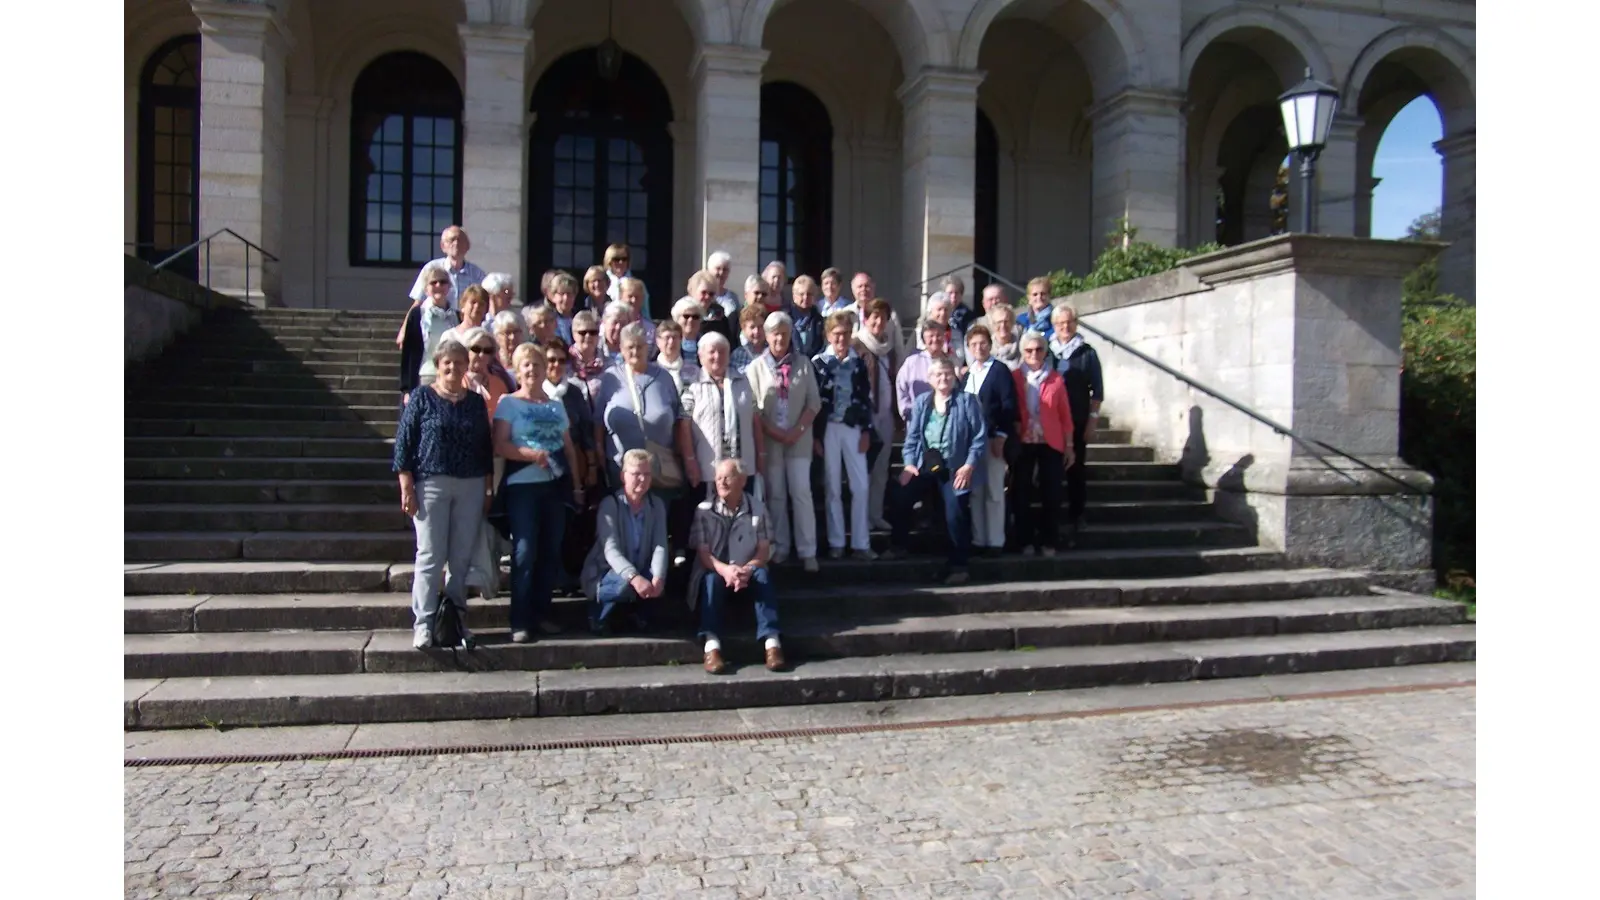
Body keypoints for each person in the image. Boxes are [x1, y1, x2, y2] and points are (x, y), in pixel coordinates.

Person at [393, 337, 493, 648]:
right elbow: (404, 445)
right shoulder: (422, 398)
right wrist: (406, 485)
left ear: (466, 367)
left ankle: (454, 620)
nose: (452, 367)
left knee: (460, 558)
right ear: (438, 366)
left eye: (458, 362)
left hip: (471, 484)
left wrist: (488, 486)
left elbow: (484, 446)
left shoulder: (475, 402)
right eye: (447, 362)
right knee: (430, 555)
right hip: (431, 482)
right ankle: (424, 622)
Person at [493, 343, 580, 642]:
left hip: (555, 487)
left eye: (537, 365)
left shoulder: (556, 405)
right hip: (523, 488)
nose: (532, 370)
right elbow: (499, 444)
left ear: (545, 370)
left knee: (549, 552)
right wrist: (530, 454)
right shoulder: (508, 403)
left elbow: (568, 448)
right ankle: (520, 619)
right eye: (526, 365)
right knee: (525, 551)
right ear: (517, 370)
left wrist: (577, 486)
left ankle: (542, 614)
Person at [883, 357, 987, 585]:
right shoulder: (922, 402)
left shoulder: (967, 401)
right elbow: (911, 440)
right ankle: (898, 545)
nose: (943, 378)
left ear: (955, 377)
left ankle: (959, 565)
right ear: (930, 379)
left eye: (948, 374)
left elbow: (979, 439)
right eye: (938, 375)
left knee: (955, 511)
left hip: (956, 466)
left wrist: (969, 466)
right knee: (901, 494)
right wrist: (909, 464)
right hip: (925, 464)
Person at [688, 458, 785, 674]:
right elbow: (704, 554)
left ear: (742, 480)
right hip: (716, 570)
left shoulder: (757, 509)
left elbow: (763, 550)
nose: (721, 482)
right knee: (710, 580)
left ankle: (772, 644)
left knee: (762, 576)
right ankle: (711, 646)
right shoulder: (704, 510)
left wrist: (746, 569)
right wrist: (726, 570)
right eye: (718, 477)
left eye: (727, 477)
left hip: (746, 571)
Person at [746, 312, 822, 571]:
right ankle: (780, 546)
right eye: (774, 333)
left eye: (784, 333)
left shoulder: (803, 363)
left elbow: (814, 402)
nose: (779, 338)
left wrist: (797, 430)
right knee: (776, 495)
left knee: (801, 493)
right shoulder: (755, 367)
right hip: (770, 441)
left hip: (799, 440)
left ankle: (808, 550)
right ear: (766, 337)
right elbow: (754, 410)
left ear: (791, 336)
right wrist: (777, 433)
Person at [580, 448, 670, 635]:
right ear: (623, 476)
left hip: (639, 566)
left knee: (657, 579)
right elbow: (610, 550)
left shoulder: (656, 505)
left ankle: (638, 615)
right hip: (606, 571)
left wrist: (658, 577)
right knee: (624, 586)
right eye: (636, 474)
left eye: (646, 474)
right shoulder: (609, 504)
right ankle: (597, 615)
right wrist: (634, 578)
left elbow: (660, 545)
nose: (642, 479)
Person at [812, 310, 878, 561]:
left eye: (846, 334)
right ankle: (836, 542)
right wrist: (815, 437)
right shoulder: (818, 362)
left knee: (860, 486)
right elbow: (815, 402)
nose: (841, 339)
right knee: (832, 487)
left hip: (853, 428)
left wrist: (867, 430)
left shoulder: (858, 362)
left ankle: (861, 543)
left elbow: (865, 398)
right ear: (829, 335)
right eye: (837, 334)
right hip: (828, 428)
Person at [594, 323, 686, 489]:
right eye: (630, 347)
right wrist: (599, 454)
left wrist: (680, 455)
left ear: (647, 348)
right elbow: (599, 421)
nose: (635, 352)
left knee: (658, 511)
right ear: (621, 349)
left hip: (659, 468)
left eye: (639, 346)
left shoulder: (664, 377)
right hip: (620, 468)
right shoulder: (611, 378)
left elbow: (678, 419)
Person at [542, 337, 601, 596]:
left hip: (571, 466)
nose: (556, 365)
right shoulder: (532, 390)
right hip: (540, 468)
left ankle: (564, 573)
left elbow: (587, 432)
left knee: (567, 525)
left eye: (561, 360)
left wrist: (590, 465)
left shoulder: (574, 392)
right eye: (550, 360)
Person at [678, 331, 763, 504]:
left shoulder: (743, 381)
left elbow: (755, 420)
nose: (717, 356)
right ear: (700, 356)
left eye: (722, 351)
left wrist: (761, 454)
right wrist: (690, 460)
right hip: (708, 468)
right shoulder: (692, 385)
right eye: (712, 352)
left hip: (743, 466)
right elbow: (684, 426)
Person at [1012, 331, 1076, 557]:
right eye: (1029, 350)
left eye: (1039, 349)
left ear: (1045, 351)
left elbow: (1065, 415)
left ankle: (1049, 540)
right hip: (1024, 440)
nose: (1034, 354)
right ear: (1022, 352)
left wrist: (1069, 446)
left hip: (1050, 440)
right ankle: (1024, 540)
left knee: (1052, 492)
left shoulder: (1056, 378)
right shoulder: (1014, 377)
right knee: (1021, 492)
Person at [460, 327, 509, 599]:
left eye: (487, 350)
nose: (480, 355)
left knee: (490, 520)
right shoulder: (459, 381)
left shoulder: (500, 383)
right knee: (470, 519)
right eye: (475, 349)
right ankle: (468, 575)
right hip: (469, 462)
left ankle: (487, 575)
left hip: (496, 459)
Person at [1049, 303, 1104, 539]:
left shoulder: (1087, 353)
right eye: (1060, 323)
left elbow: (1098, 392)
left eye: (1069, 322)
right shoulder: (1045, 350)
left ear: (1076, 323)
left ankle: (1077, 514)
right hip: (1050, 421)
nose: (1065, 326)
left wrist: (1092, 421)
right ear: (1054, 325)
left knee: (1076, 469)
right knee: (1050, 470)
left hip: (1077, 419)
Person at [962, 324, 1017, 558]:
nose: (979, 347)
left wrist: (1002, 436)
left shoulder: (1000, 370)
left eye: (983, 343)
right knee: (976, 491)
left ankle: (995, 540)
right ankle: (979, 538)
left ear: (990, 344)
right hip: (971, 442)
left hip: (993, 438)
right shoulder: (968, 373)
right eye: (974, 344)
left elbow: (1008, 405)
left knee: (994, 490)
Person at [851, 298, 902, 531]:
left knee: (881, 467)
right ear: (866, 318)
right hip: (865, 417)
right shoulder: (857, 345)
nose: (879, 322)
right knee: (864, 470)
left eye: (883, 317)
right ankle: (861, 519)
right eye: (874, 317)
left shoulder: (888, 349)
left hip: (886, 414)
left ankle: (875, 514)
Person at [396, 225, 487, 346]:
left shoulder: (478, 274)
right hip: (434, 327)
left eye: (460, 240)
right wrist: (404, 330)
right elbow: (418, 303)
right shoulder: (431, 269)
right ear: (443, 246)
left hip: (465, 332)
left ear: (467, 246)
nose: (456, 243)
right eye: (451, 240)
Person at [398, 262, 461, 402]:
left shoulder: (456, 316)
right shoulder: (418, 314)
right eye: (434, 282)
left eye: (443, 282)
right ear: (426, 289)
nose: (438, 286)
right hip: (425, 376)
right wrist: (407, 388)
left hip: (451, 377)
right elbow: (409, 351)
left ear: (449, 287)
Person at [896, 319, 953, 424]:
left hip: (946, 420)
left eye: (938, 335)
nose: (935, 339)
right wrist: (909, 412)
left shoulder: (951, 361)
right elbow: (901, 387)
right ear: (923, 340)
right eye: (930, 336)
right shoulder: (912, 362)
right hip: (917, 419)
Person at [846, 272, 905, 358]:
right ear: (853, 289)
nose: (864, 289)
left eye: (867, 286)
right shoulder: (846, 313)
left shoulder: (890, 314)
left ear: (873, 287)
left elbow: (898, 346)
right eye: (860, 286)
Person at [916, 293, 965, 364]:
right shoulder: (919, 333)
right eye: (939, 309)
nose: (943, 313)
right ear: (931, 311)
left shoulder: (956, 333)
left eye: (946, 310)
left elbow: (961, 357)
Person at [654, 317, 699, 392]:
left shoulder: (694, 371)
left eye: (675, 337)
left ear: (681, 340)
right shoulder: (651, 371)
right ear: (658, 341)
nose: (671, 342)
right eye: (667, 338)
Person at [569, 309, 607, 394]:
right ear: (573, 334)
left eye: (593, 332)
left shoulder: (608, 364)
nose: (588, 336)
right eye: (583, 332)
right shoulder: (565, 361)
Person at [789, 275, 826, 359]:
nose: (805, 297)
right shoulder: (786, 318)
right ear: (794, 296)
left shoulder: (820, 321)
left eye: (809, 294)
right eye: (801, 294)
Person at [488, 310, 526, 390]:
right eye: (508, 332)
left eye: (516, 332)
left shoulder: (527, 361)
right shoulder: (491, 365)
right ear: (497, 337)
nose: (512, 337)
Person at [603, 243, 647, 309]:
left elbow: (645, 310)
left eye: (624, 259)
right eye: (616, 259)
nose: (621, 262)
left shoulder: (638, 284)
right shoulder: (601, 281)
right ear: (609, 261)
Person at [730, 302, 768, 372]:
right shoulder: (737, 355)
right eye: (752, 327)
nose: (756, 331)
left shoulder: (772, 352)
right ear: (744, 329)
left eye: (760, 326)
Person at [617, 276, 655, 346]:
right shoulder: (613, 325)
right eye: (630, 296)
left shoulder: (649, 328)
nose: (633, 300)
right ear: (620, 297)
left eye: (637, 297)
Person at [705, 250, 740, 319]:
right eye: (718, 268)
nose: (721, 273)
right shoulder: (704, 296)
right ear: (709, 270)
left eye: (725, 270)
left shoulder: (733, 297)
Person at [988, 303, 1022, 370]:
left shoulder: (1022, 346)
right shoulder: (987, 348)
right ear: (992, 324)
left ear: (1012, 322)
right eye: (999, 322)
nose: (1003, 326)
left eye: (1006, 321)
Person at [550, 272, 582, 343]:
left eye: (569, 293)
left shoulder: (580, 317)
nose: (566, 298)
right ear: (553, 296)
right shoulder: (549, 319)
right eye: (562, 293)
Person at [599, 301, 632, 367]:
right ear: (604, 322)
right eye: (614, 322)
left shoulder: (633, 349)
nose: (618, 327)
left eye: (623, 323)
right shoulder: (595, 348)